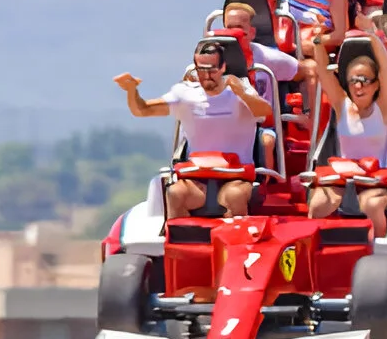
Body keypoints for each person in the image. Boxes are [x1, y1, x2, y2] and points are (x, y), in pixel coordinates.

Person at [114, 43, 275, 219]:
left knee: (234, 196)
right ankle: (179, 242)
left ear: (222, 67)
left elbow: (264, 112)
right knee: (176, 193)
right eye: (201, 70)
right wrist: (132, 91)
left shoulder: (239, 90)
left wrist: (242, 93)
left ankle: (235, 242)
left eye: (212, 70)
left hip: (235, 178)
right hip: (196, 178)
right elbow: (142, 110)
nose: (206, 76)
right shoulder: (185, 93)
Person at [303, 49, 387, 230]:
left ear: (376, 84)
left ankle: (379, 249)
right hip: (343, 179)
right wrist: (318, 42)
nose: (358, 86)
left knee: (371, 204)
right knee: (317, 204)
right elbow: (322, 71)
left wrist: (372, 38)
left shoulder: (384, 109)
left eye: (364, 80)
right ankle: (312, 249)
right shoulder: (341, 105)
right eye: (353, 80)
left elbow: (385, 70)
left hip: (374, 181)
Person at [218, 0, 299, 83]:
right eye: (229, 28)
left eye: (239, 28)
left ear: (252, 33)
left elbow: (306, 70)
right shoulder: (214, 58)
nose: (233, 34)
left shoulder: (268, 57)